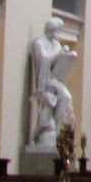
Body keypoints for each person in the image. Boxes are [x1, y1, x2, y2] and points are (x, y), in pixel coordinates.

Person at [27, 18, 77, 148]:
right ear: (51, 29)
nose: (59, 33)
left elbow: (57, 61)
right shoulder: (39, 43)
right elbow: (44, 60)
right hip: (45, 82)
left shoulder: (57, 44)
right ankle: (41, 131)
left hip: (56, 79)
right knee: (47, 106)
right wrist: (59, 53)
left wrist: (66, 56)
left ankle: (57, 126)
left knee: (66, 97)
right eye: (58, 30)